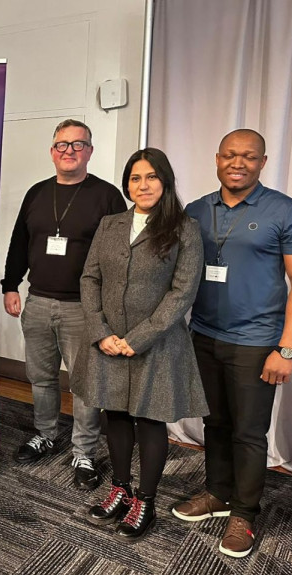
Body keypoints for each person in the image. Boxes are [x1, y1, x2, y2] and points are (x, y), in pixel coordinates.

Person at [172, 129, 292, 558]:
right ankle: (217, 494)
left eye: (249, 157)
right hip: (204, 336)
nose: (238, 163)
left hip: (257, 343)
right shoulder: (197, 210)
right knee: (213, 423)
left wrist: (286, 348)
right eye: (231, 155)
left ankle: (245, 514)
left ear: (263, 162)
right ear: (217, 159)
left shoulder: (286, 211)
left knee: (249, 433)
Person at [71, 148, 206, 540]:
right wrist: (100, 331)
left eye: (150, 177)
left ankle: (144, 500)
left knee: (149, 420)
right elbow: (89, 279)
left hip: (157, 344)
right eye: (134, 178)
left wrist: (139, 338)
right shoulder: (111, 224)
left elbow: (182, 293)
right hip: (108, 341)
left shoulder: (184, 228)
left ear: (164, 181)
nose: (142, 185)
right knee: (114, 415)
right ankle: (121, 489)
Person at [1, 119, 127, 489]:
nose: (69, 151)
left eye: (77, 144)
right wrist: (11, 285)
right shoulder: (37, 193)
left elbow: (120, 255)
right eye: (61, 145)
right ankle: (45, 434)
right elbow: (19, 242)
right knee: (40, 378)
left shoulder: (107, 196)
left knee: (85, 385)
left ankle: (84, 451)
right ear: (52, 151)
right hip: (37, 301)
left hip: (84, 308)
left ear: (90, 150)